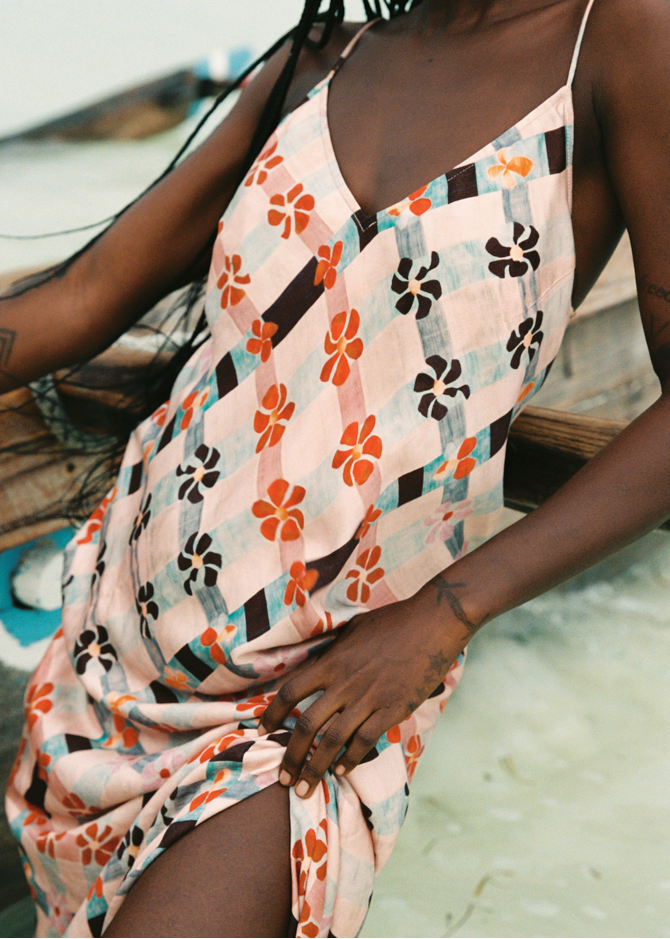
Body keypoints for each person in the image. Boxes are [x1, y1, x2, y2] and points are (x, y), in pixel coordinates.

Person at [4, 0, 670, 935]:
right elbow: (84, 294)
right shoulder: (331, 51)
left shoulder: (619, 40)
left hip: (311, 700)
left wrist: (449, 609)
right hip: (111, 634)